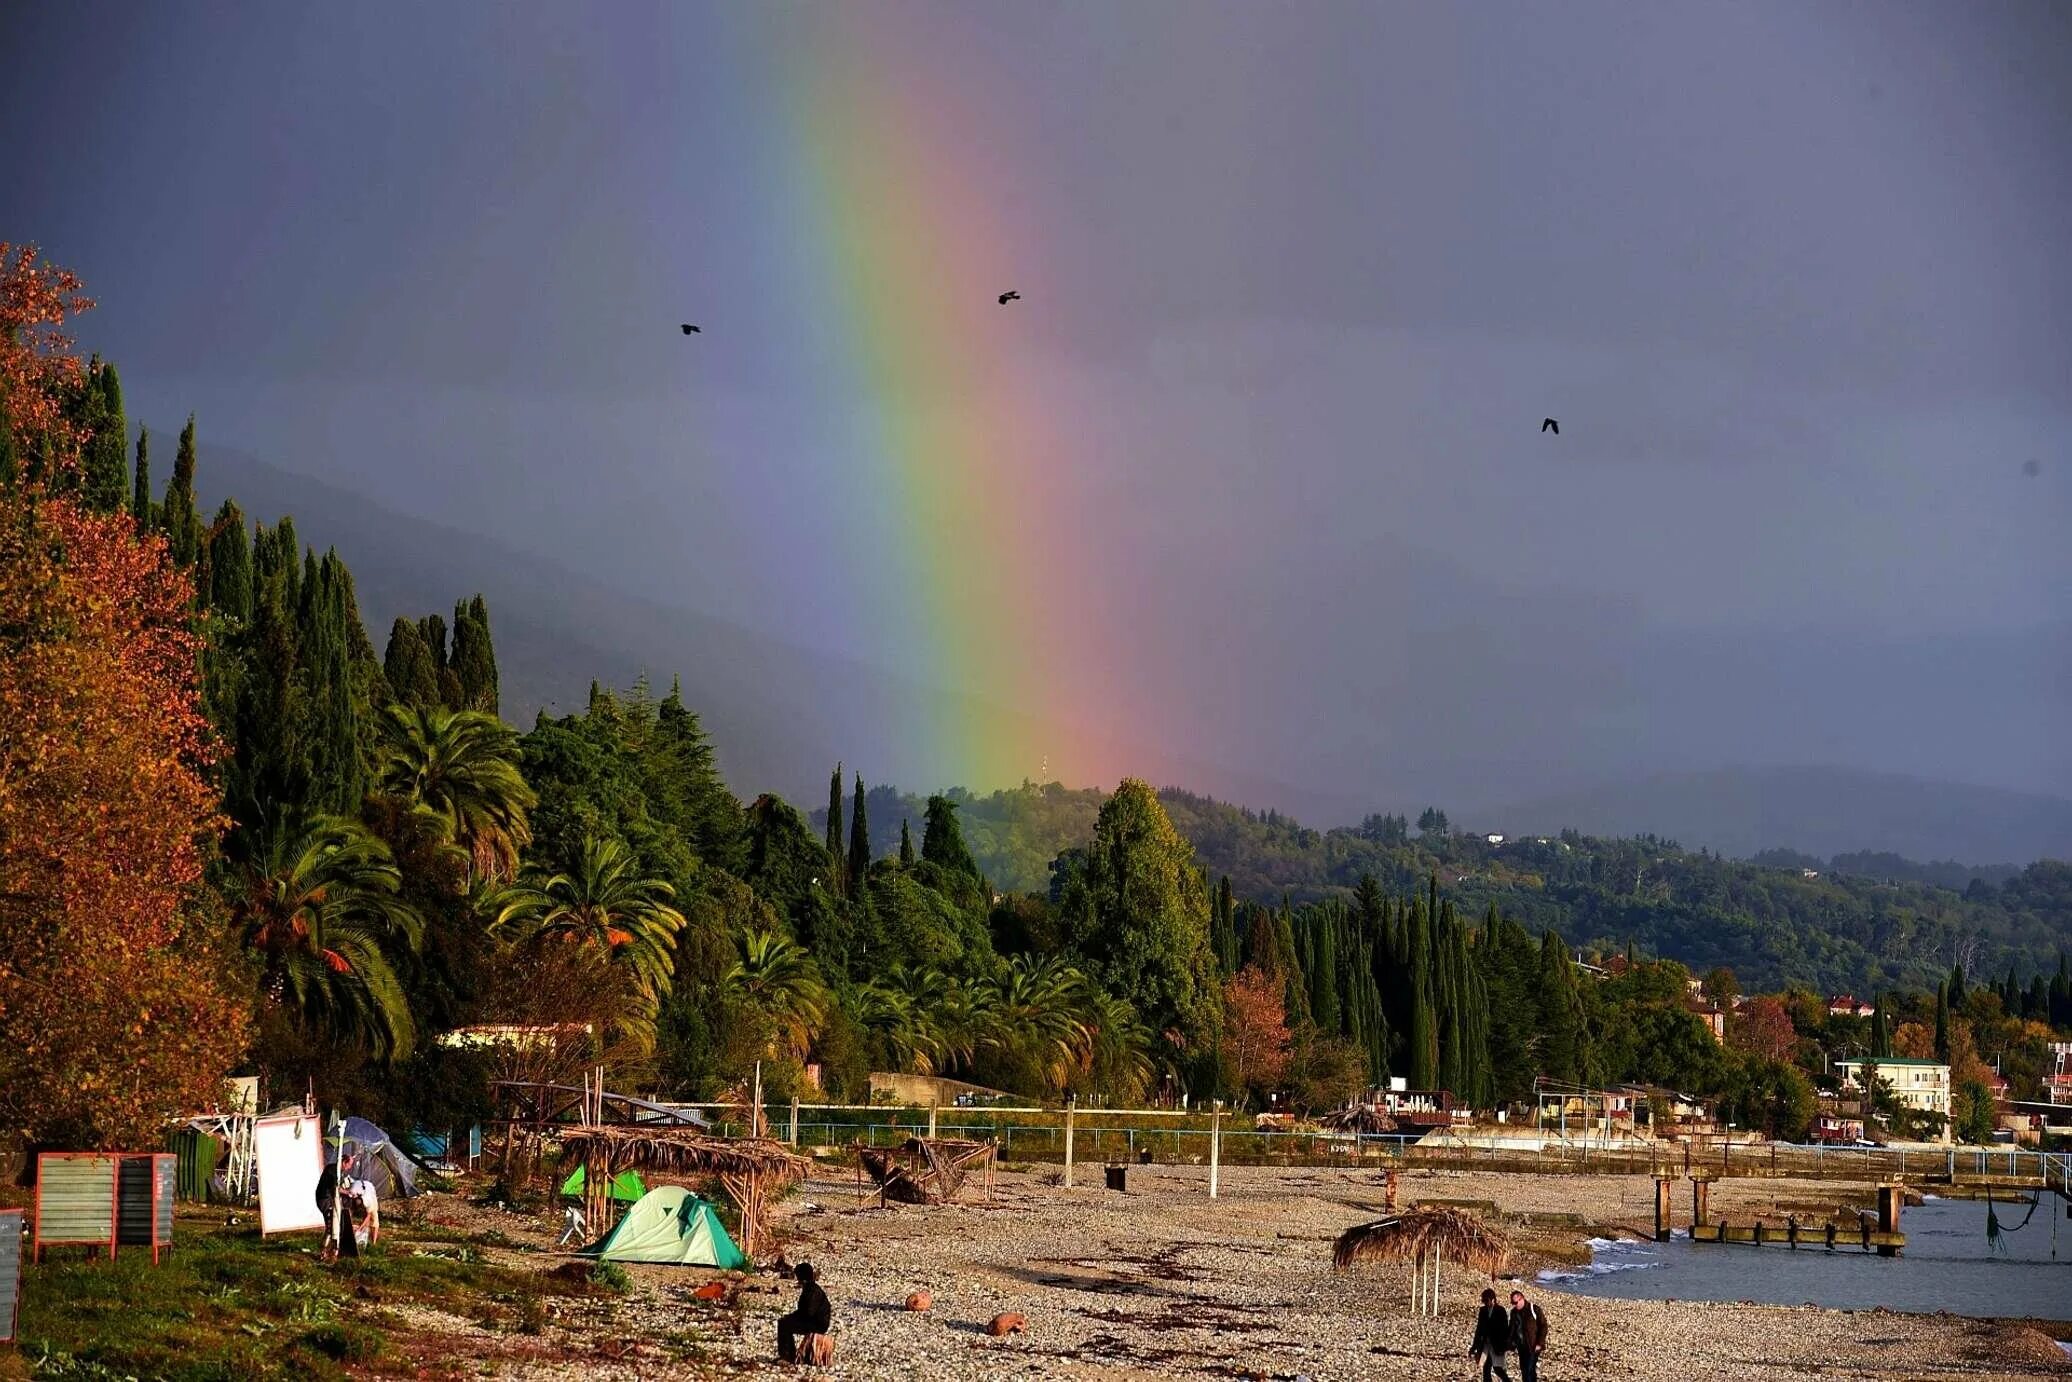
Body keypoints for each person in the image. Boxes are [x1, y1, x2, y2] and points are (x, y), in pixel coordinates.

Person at [777, 1261, 832, 1364]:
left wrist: (792, 1317)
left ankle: (787, 1356)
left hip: (817, 1324)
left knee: (784, 1324)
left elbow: (808, 1312)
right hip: (815, 1321)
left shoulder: (812, 1291)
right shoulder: (811, 1287)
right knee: (785, 1322)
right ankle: (788, 1355)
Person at [315, 1152, 358, 1260]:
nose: (350, 1167)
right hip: (325, 1200)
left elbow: (339, 1187)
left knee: (337, 1226)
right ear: (344, 1162)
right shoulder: (333, 1170)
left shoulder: (339, 1171)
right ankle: (324, 1253)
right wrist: (348, 1193)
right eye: (349, 1164)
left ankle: (333, 1251)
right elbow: (336, 1188)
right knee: (331, 1227)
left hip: (329, 1199)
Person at [1470, 1286, 1514, 1382]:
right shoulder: (1483, 1311)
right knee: (1486, 1368)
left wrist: (1505, 1345)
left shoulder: (1500, 1310)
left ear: (1493, 1299)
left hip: (1497, 1344)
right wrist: (1474, 1346)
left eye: (1487, 1300)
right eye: (1484, 1301)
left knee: (1497, 1368)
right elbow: (1479, 1329)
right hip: (1485, 1344)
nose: (1485, 1303)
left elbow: (1504, 1329)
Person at [1508, 1288, 1548, 1382]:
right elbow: (1511, 1330)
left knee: (1528, 1370)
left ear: (1522, 1299)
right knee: (1525, 1370)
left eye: (1516, 1302)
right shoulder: (1513, 1313)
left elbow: (1543, 1326)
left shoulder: (1534, 1309)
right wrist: (1509, 1344)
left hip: (1533, 1346)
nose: (1514, 1305)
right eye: (1513, 1303)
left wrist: (1540, 1343)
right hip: (1521, 1347)